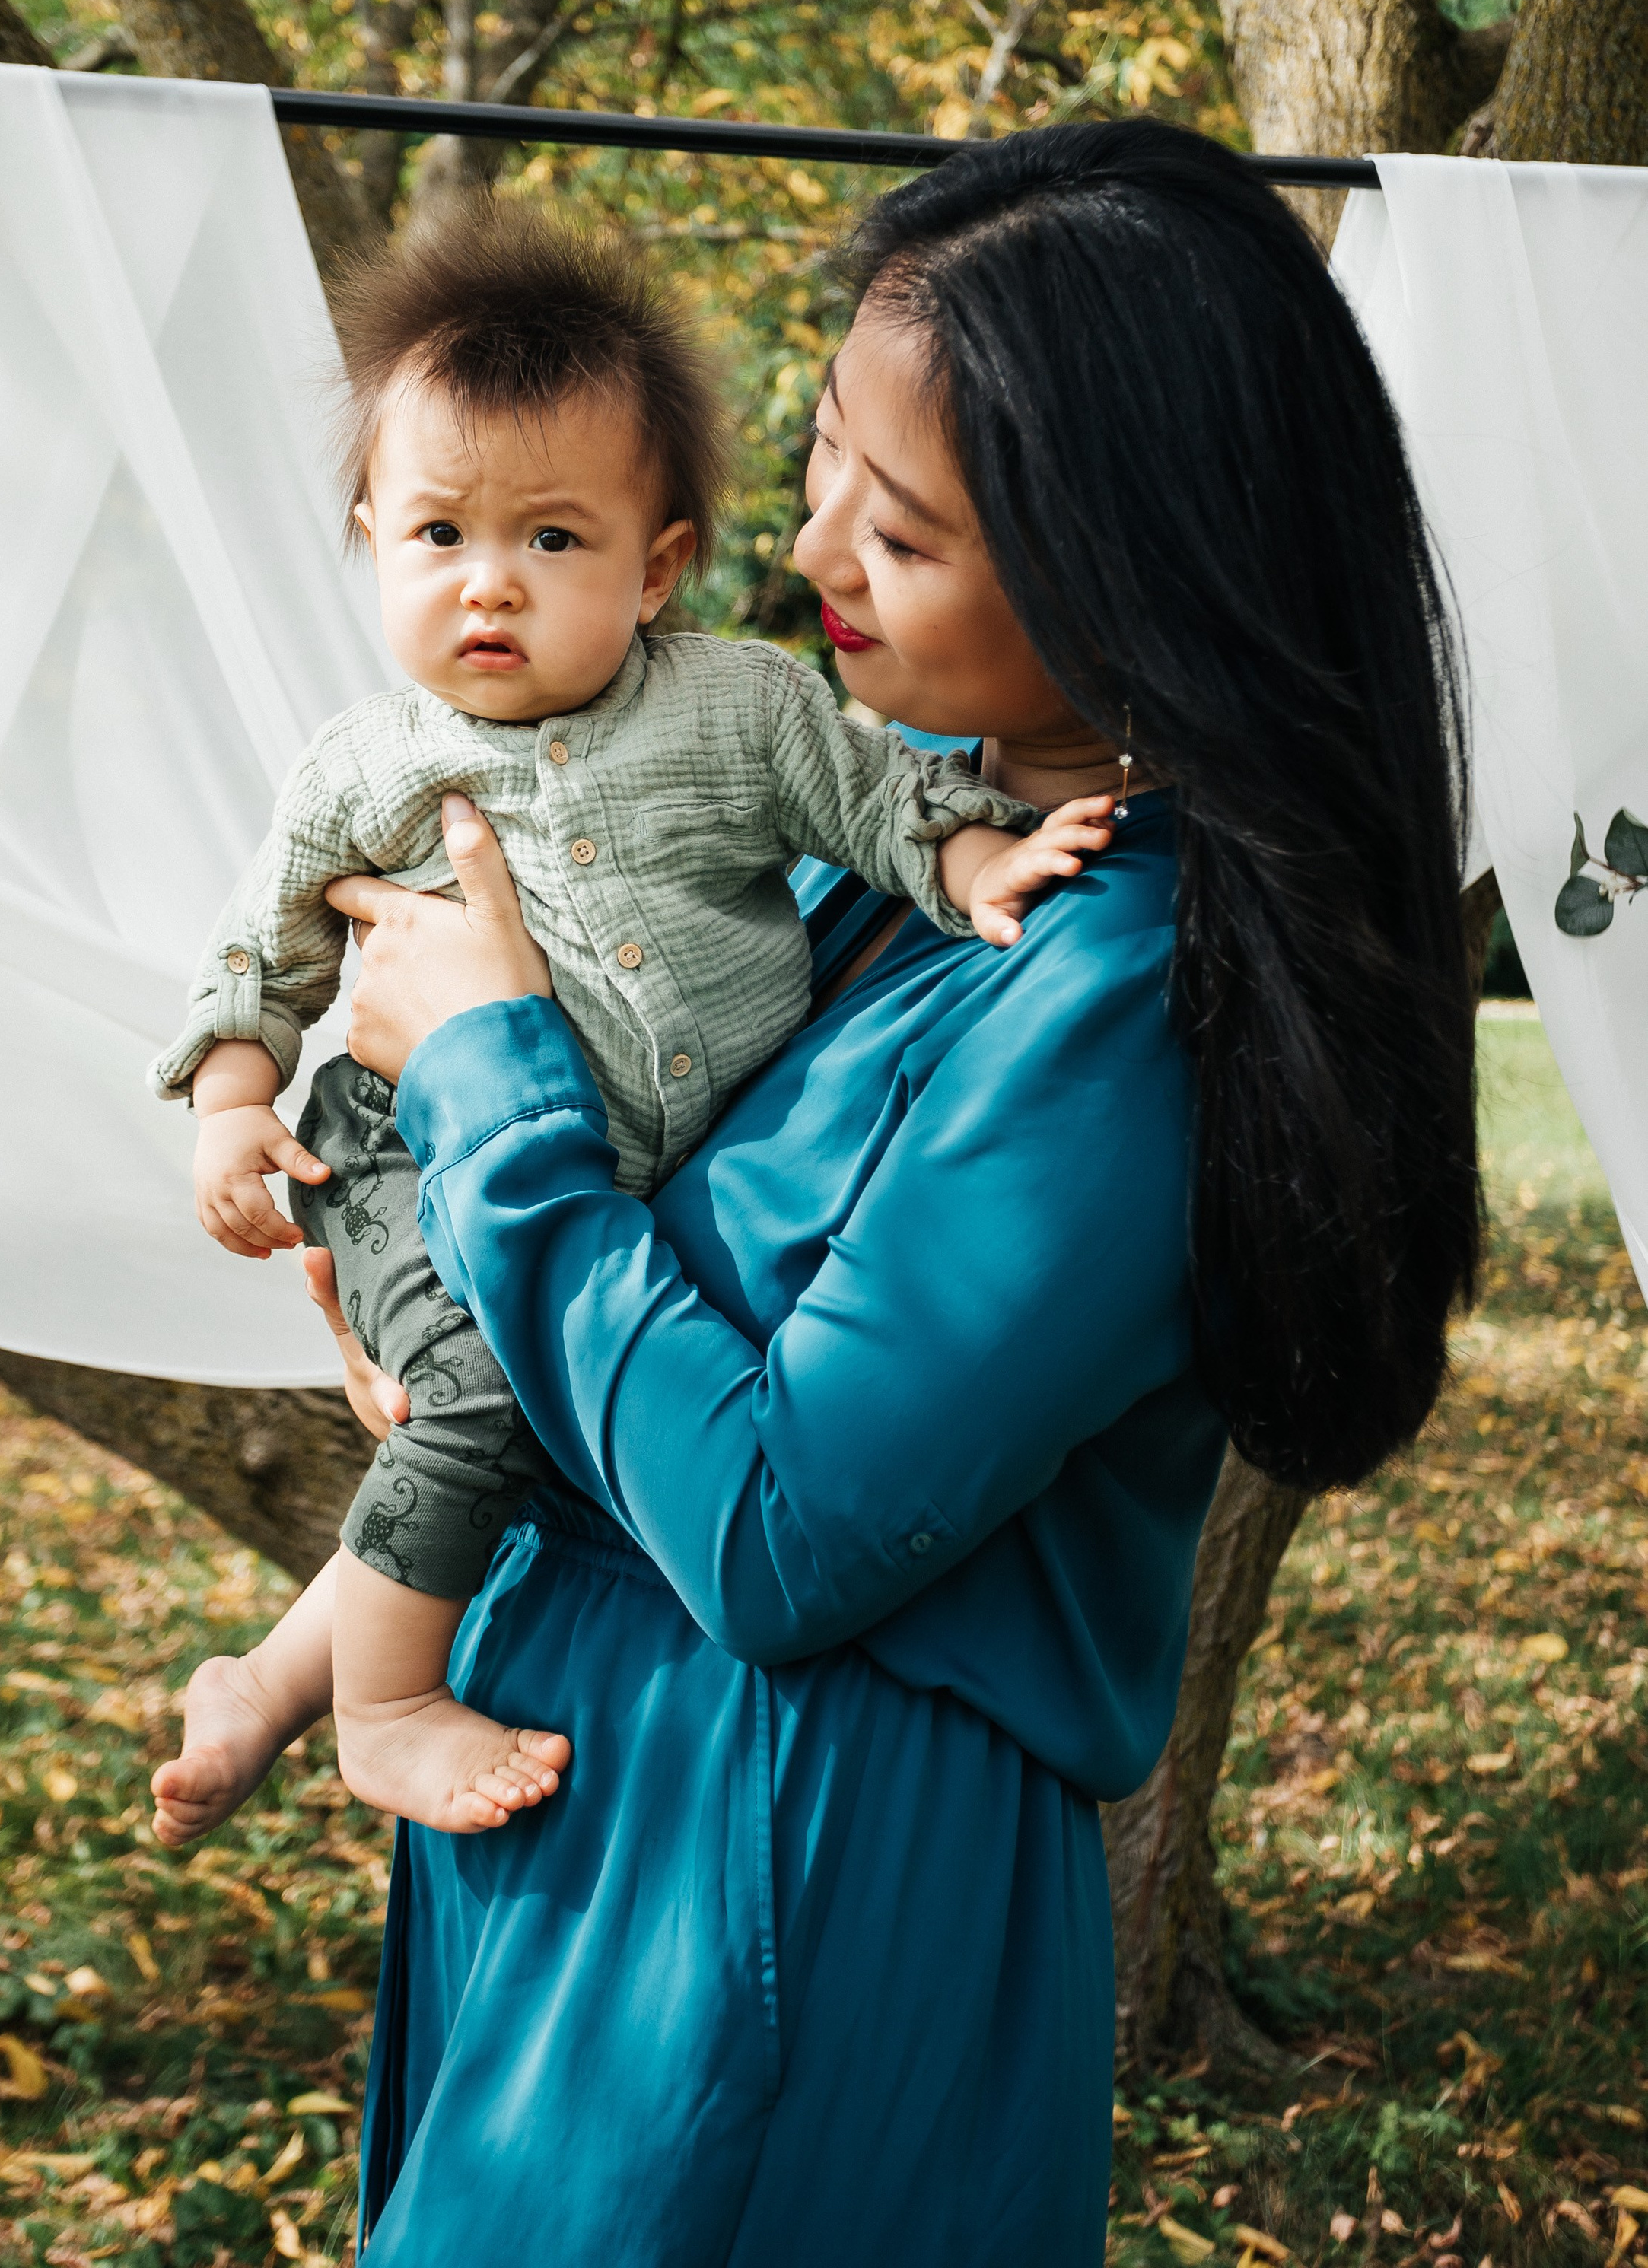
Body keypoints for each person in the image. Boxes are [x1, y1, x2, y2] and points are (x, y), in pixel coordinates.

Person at [314, 119, 1481, 2266]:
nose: (813, 544)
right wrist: (432, 1313)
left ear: (1139, 573)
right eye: (827, 456)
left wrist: (488, 1079)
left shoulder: (1125, 1001)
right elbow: (634, 1294)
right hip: (594, 1818)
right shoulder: (895, 857)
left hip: (779, 1884)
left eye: (907, 527)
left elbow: (781, 1528)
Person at [146, 201, 1107, 1845]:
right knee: (474, 1394)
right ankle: (378, 1706)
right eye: (436, 536)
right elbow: (266, 952)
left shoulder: (743, 710)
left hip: (594, 1163)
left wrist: (976, 863)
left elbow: (876, 804)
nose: (487, 586)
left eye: (551, 540)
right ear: (371, 538)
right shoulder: (364, 767)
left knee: (518, 1395)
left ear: (655, 567)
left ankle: (275, 1672)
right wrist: (235, 1106)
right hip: (396, 1142)